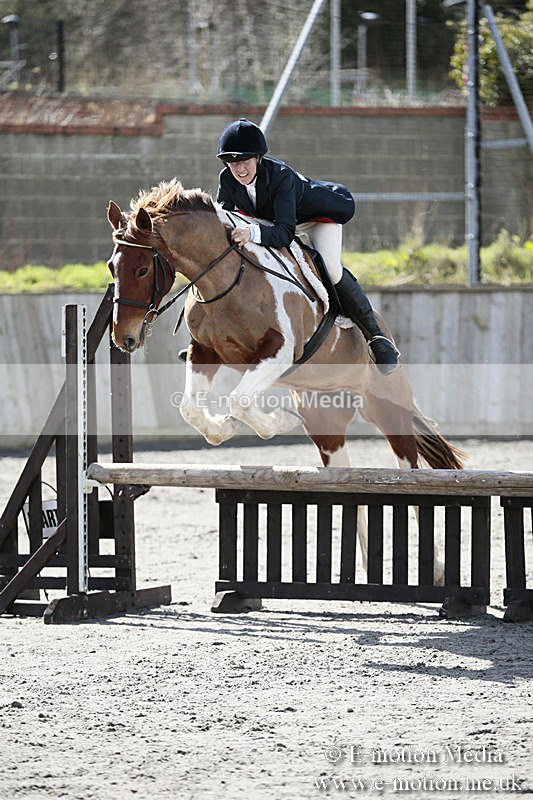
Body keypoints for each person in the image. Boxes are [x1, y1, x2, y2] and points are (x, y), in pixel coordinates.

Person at [215, 118, 399, 375]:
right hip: (271, 222)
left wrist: (252, 232)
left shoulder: (280, 176)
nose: (240, 169)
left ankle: (377, 339)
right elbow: (223, 219)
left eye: (245, 161)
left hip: (314, 220)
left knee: (332, 270)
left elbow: (284, 233)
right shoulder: (227, 179)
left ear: (258, 157)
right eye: (233, 162)